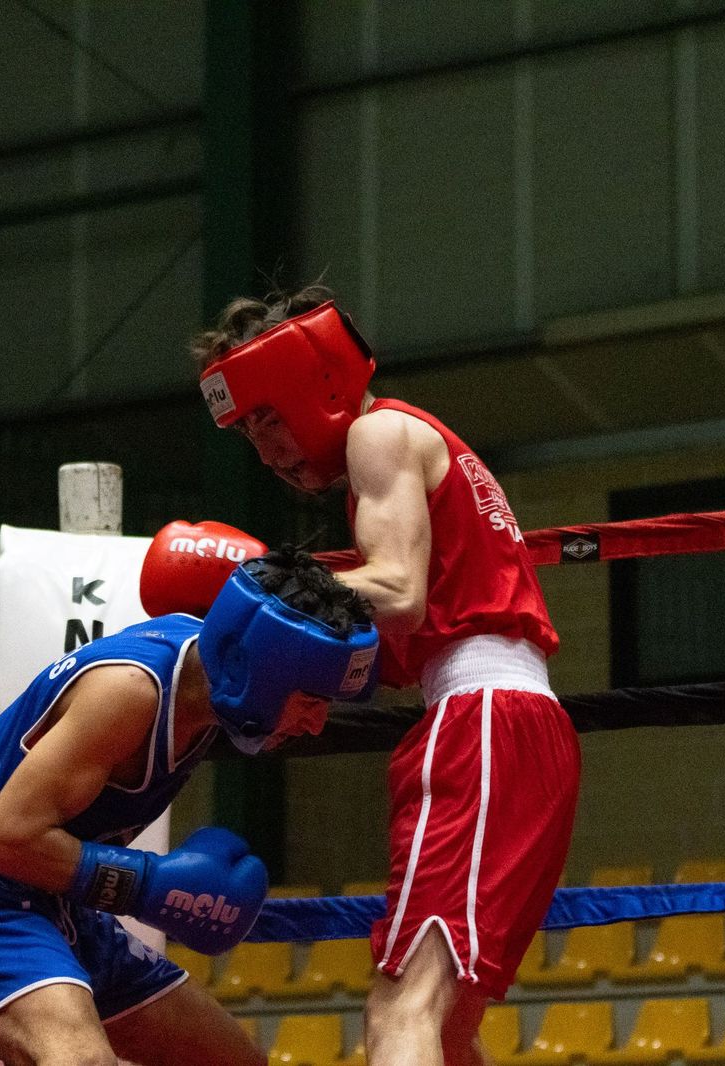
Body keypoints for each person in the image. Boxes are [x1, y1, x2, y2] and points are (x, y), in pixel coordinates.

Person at [190, 287, 581, 1066]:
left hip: (482, 726)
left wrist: (249, 595)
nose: (264, 448)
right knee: (446, 1023)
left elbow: (397, 592)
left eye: (268, 416)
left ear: (316, 381)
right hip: (511, 731)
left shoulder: (378, 432)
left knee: (401, 1010)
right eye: (248, 431)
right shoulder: (410, 448)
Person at [0, 547, 378, 1066]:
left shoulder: (203, 671)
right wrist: (147, 885)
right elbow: (4, 841)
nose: (317, 724)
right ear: (261, 672)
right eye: (311, 700)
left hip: (54, 890)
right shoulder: (128, 693)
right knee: (79, 1059)